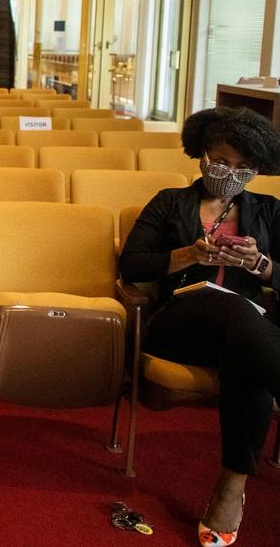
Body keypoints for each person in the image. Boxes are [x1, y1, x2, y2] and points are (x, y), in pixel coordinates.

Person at [119, 107, 280, 547]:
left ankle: (231, 488)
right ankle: (231, 488)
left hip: (245, 331)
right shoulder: (170, 201)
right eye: (223, 160)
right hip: (181, 321)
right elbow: (132, 265)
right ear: (203, 153)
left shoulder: (268, 212)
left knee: (246, 343)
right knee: (241, 318)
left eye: (243, 166)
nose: (231, 172)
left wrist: (262, 264)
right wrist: (189, 255)